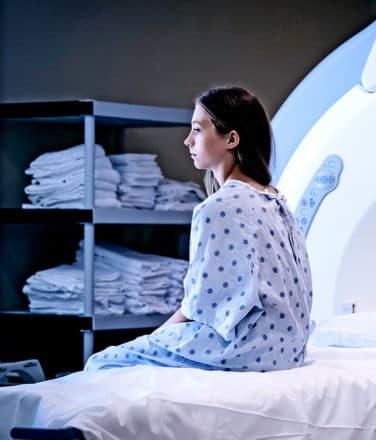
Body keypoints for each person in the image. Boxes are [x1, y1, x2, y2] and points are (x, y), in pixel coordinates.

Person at [84, 86, 313, 372]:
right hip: (288, 349)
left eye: (197, 130)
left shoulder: (219, 207)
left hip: (245, 349)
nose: (187, 140)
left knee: (103, 362)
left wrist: (155, 340)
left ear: (231, 138)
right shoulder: (276, 200)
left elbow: (199, 308)